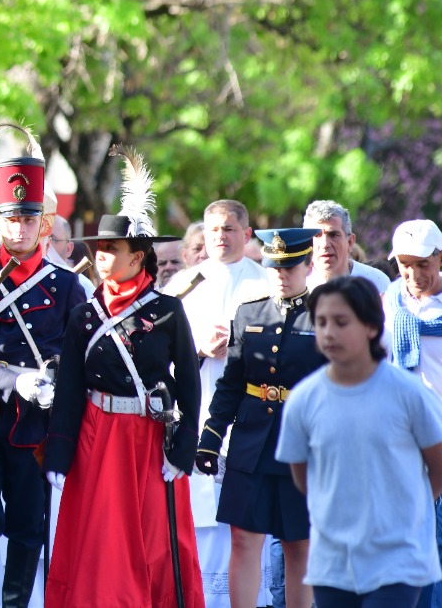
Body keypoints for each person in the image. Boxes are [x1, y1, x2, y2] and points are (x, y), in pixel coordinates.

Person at [43, 146, 203, 608]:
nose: (102, 257)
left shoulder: (168, 311)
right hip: (98, 437)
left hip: (150, 437)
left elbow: (189, 384)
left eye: (112, 249)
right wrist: (59, 452)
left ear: (138, 257)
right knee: (101, 546)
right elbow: (71, 386)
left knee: (156, 545)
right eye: (99, 249)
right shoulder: (85, 314)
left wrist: (184, 445)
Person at [0, 124, 85, 608]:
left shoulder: (68, 287)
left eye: (29, 218)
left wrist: (52, 383)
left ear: (43, 223)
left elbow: (78, 356)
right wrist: (7, 378)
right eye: (11, 217)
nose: (19, 227)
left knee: (30, 527)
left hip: (37, 428)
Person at [277, 276, 442, 607]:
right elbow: (302, 475)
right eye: (321, 322)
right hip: (333, 562)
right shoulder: (304, 399)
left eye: (341, 322)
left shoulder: (408, 393)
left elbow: (437, 466)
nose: (329, 332)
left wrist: (408, 509)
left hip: (397, 559)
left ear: (370, 327)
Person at [196, 228, 326, 608]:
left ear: (307, 266)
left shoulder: (324, 315)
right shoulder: (248, 312)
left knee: (298, 544)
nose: (281, 275)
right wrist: (211, 436)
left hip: (302, 446)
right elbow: (231, 383)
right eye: (273, 268)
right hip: (251, 441)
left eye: (289, 268)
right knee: (243, 537)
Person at [165, 199, 271, 608]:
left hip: (251, 416)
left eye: (229, 229)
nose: (220, 238)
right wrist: (198, 349)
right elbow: (160, 355)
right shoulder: (183, 286)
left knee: (247, 526)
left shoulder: (265, 282)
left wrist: (240, 344)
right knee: (200, 521)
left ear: (246, 234)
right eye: (213, 230)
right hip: (199, 411)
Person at [382, 219, 442, 608]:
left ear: (440, 259)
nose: (413, 273)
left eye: (422, 263)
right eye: (405, 263)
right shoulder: (386, 302)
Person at [303, 200, 392, 294]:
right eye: (317, 236)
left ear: (350, 242)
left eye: (333, 235)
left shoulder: (376, 282)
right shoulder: (296, 286)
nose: (325, 244)